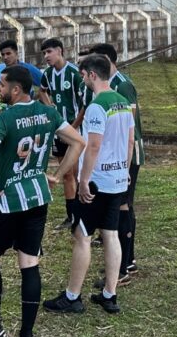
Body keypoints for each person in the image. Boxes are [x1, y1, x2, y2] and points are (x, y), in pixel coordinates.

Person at [0, 65, 85, 337]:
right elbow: (78, 142)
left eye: (1, 85)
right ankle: (27, 336)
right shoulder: (48, 113)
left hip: (8, 200)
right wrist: (58, 176)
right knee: (29, 264)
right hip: (37, 199)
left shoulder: (6, 118)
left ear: (16, 89)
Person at [44, 54, 134, 315]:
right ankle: (110, 293)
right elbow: (129, 142)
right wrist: (125, 170)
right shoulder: (122, 102)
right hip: (117, 179)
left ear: (92, 75)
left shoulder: (97, 106)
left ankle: (72, 297)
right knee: (110, 234)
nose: (82, 80)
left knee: (82, 236)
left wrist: (84, 180)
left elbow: (93, 145)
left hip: (98, 182)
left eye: (83, 75)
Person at [86, 43, 144, 282]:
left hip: (124, 155)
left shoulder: (123, 85)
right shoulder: (105, 87)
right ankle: (120, 263)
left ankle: (126, 265)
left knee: (124, 206)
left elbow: (129, 128)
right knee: (117, 206)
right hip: (115, 156)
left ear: (106, 62)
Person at [38, 37, 90, 230]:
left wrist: (74, 127)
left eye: (49, 52)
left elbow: (85, 104)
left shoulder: (74, 74)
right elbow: (41, 91)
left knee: (75, 174)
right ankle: (72, 216)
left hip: (74, 130)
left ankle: (81, 215)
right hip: (58, 131)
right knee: (67, 173)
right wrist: (50, 107)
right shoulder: (48, 74)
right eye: (44, 53)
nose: (46, 56)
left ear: (60, 51)